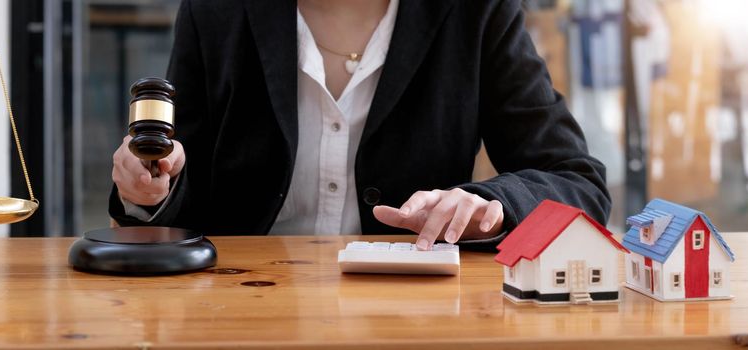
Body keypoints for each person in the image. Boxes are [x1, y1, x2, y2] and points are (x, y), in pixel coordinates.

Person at [109, 0, 611, 251]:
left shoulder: (474, 11)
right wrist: (149, 187)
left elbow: (575, 181)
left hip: (415, 323)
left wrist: (493, 205)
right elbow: (174, 173)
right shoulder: (218, 10)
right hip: (238, 313)